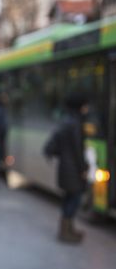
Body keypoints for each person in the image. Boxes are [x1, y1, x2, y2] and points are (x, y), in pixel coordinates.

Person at [43, 92, 89, 244]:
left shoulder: (66, 120)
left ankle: (68, 229)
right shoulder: (75, 123)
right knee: (73, 199)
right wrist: (83, 168)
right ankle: (66, 232)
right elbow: (77, 149)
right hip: (73, 169)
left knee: (69, 198)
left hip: (65, 167)